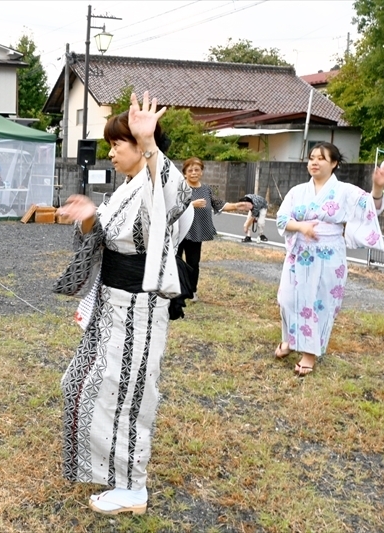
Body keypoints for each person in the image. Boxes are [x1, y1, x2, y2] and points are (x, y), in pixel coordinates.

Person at [54, 92, 193, 516]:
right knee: (82, 383)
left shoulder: (156, 182)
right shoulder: (124, 190)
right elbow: (106, 238)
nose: (112, 152)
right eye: (113, 144)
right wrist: (90, 218)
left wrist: (150, 143)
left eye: (119, 144)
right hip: (111, 304)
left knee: (129, 395)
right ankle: (111, 470)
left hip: (139, 308)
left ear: (141, 149)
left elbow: (175, 196)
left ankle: (132, 485)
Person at [275, 142, 384, 376]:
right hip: (299, 254)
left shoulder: (345, 192)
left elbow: (371, 208)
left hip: (329, 255)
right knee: (288, 298)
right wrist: (300, 226)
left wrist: (377, 188)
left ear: (334, 163)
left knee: (319, 302)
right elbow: (281, 220)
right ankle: (291, 339)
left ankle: (309, 353)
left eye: (321, 158)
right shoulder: (297, 191)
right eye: (311, 157)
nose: (314, 162)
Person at [178, 157, 251, 299]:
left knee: (193, 263)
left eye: (197, 170)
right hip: (179, 231)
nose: (194, 173)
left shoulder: (206, 189)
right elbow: (172, 208)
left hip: (197, 231)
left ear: (202, 172)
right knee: (176, 261)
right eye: (190, 170)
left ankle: (192, 291)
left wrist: (236, 206)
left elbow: (220, 205)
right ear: (185, 173)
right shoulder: (180, 188)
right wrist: (191, 205)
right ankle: (176, 291)